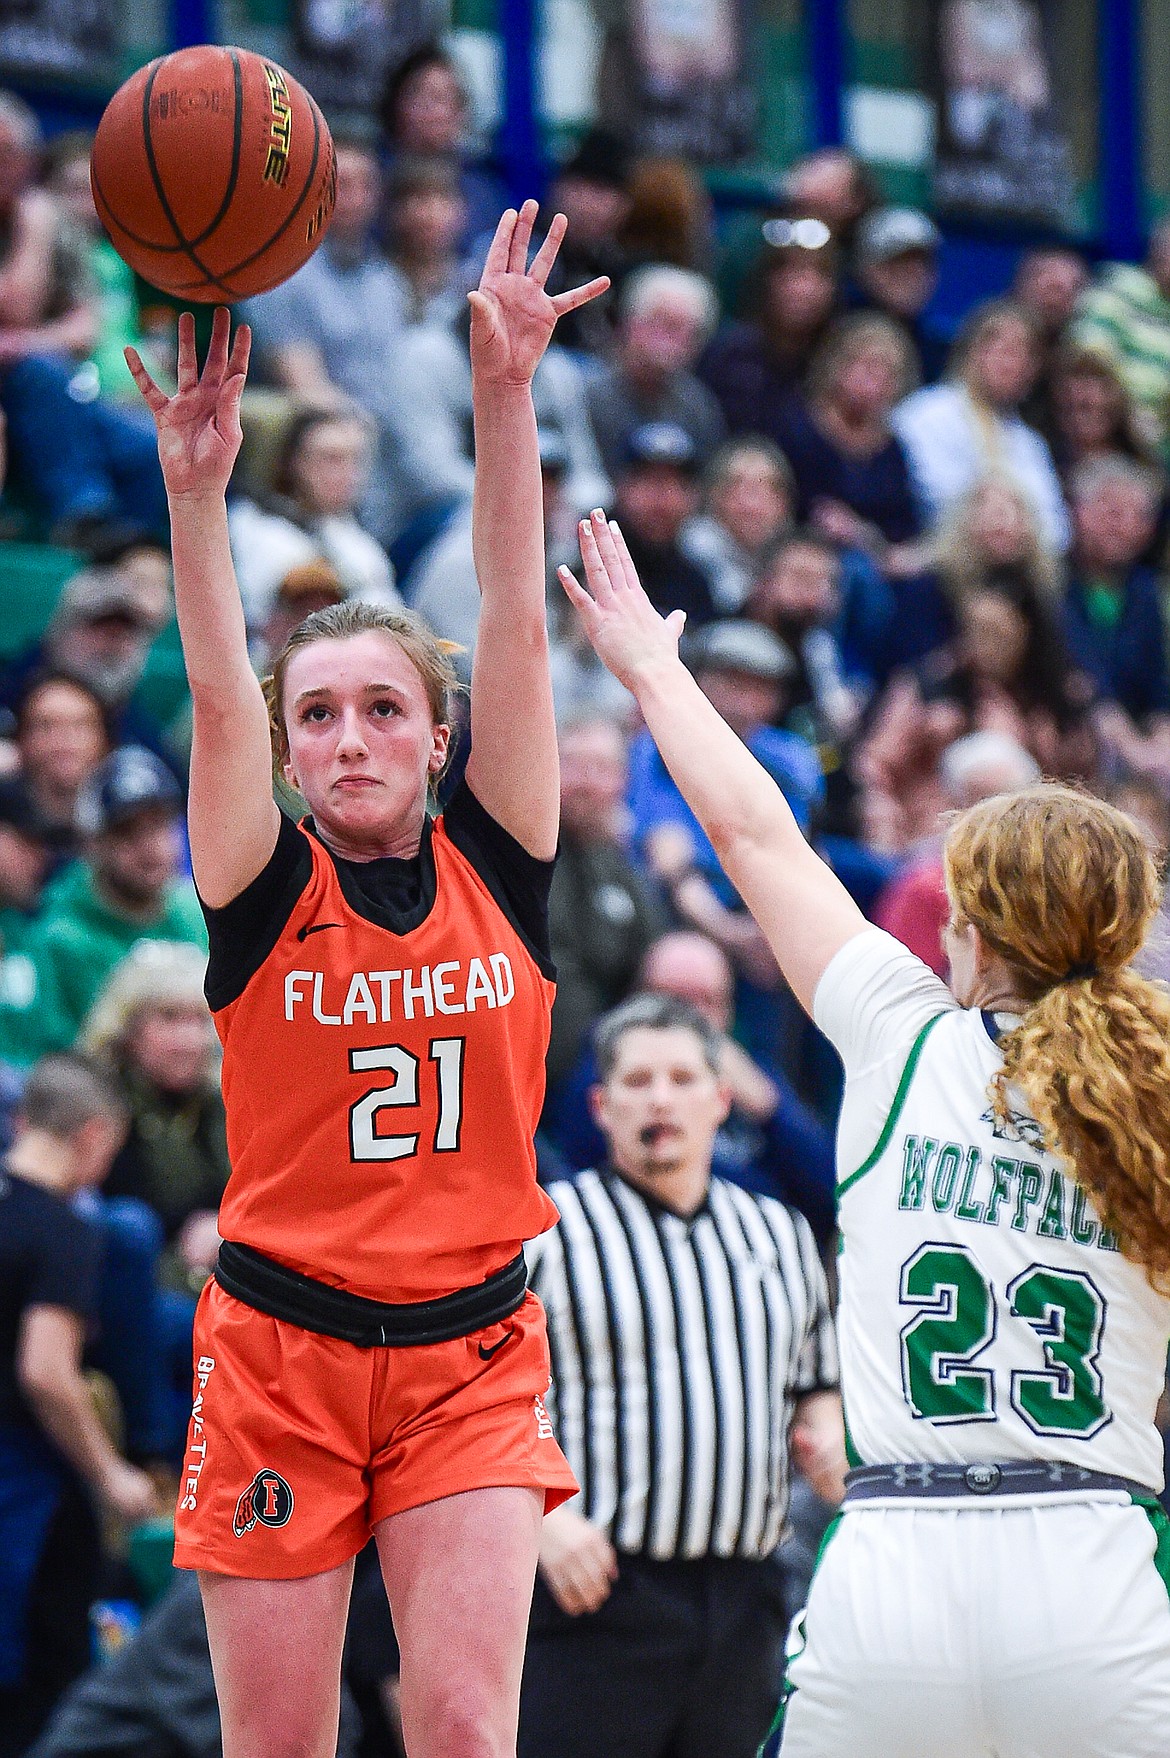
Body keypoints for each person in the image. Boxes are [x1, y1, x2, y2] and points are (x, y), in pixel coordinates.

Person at [559, 509, 1170, 1758]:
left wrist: (653, 672)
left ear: (974, 931)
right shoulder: (1156, 1095)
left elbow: (752, 833)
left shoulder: (902, 1036)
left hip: (899, 1560)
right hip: (1093, 1560)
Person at [124, 203, 607, 1758]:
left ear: (437, 733)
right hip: (279, 1351)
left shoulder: (502, 855)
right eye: (316, 712)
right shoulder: (264, 883)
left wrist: (503, 394)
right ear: (288, 746)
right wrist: (196, 495)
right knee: (281, 1747)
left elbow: (514, 620)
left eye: (381, 709)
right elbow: (212, 694)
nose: (345, 735)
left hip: (471, 1348)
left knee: (465, 1731)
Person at [520, 993, 842, 1758]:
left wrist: (829, 1438)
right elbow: (480, 1401)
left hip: (746, 1596)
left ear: (720, 1100)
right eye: (636, 1082)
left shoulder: (779, 1231)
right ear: (600, 1106)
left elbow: (816, 1383)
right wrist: (540, 1519)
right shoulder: (547, 1232)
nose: (659, 1097)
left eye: (679, 1077)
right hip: (594, 1589)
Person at [0, 1054, 155, 1757]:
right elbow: (45, 1372)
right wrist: (109, 1473)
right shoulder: (65, 1230)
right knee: (42, 1686)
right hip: (25, 1492)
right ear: (95, 1135)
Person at [0, 745, 206, 1065]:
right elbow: (52, 1059)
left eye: (159, 826)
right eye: (128, 833)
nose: (151, 847)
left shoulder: (197, 912)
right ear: (93, 842)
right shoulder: (60, 936)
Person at [892, 299, 1071, 552]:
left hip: (1014, 567)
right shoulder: (925, 413)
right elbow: (933, 499)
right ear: (973, 350)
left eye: (1025, 356)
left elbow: (1057, 532)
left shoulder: (1029, 442)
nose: (1013, 365)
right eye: (1005, 351)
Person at [545, 715, 664, 1090]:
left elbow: (655, 954)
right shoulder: (512, 850)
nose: (586, 782)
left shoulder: (621, 865)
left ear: (623, 782)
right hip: (527, 1054)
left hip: (606, 1066)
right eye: (574, 764)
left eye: (602, 768)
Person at [227, 407, 400, 632]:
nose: (348, 474)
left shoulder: (348, 531)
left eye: (355, 460)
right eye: (331, 459)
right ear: (293, 462)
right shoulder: (256, 527)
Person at [776, 311, 922, 554]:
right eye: (868, 366)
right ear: (838, 365)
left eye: (888, 373)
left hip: (876, 560)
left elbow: (904, 527)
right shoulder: (799, 428)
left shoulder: (892, 447)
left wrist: (863, 534)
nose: (876, 381)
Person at [584, 264, 724, 480]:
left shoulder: (698, 404)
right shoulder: (587, 392)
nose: (670, 341)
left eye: (685, 331)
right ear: (630, 322)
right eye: (663, 323)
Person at [1074, 217, 1170, 460]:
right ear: (1158, 251)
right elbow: (1088, 360)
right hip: (1113, 437)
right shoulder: (1117, 290)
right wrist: (1129, 418)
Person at [681, 438, 794, 613]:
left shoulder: (789, 553)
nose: (750, 505)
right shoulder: (694, 546)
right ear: (716, 495)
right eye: (737, 488)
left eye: (764, 490)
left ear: (783, 503)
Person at [850, 206, 947, 383]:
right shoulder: (829, 335)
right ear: (866, 268)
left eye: (923, 263)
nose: (913, 274)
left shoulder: (938, 355)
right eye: (900, 262)